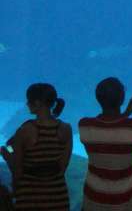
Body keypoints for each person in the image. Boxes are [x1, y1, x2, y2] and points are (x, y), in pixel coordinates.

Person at [78, 77, 132, 211]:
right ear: (122, 99)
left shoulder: (85, 126)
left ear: (98, 98)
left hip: (94, 198)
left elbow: (113, 128)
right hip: (127, 200)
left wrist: (127, 111)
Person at [1, 83, 71, 211]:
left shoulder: (26, 130)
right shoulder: (65, 129)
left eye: (29, 101)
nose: (27, 104)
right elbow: (62, 167)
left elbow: (17, 170)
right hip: (58, 196)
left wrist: (5, 154)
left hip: (30, 198)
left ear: (37, 103)